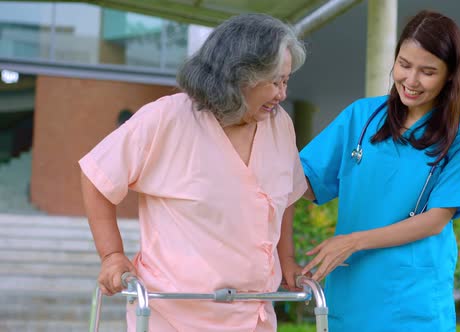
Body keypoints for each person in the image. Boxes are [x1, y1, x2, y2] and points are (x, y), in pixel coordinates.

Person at [79, 13, 307, 332]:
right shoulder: (168, 118)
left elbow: (285, 197)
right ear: (240, 75)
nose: (282, 94)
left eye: (286, 81)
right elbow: (97, 176)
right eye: (274, 82)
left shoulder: (279, 124)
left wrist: (287, 261)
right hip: (170, 314)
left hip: (252, 315)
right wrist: (112, 254)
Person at [280, 10, 460, 331]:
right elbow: (299, 182)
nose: (411, 80)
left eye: (428, 71)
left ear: (451, 75)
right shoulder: (360, 116)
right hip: (353, 292)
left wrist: (352, 241)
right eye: (404, 65)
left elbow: (435, 220)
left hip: (415, 300)